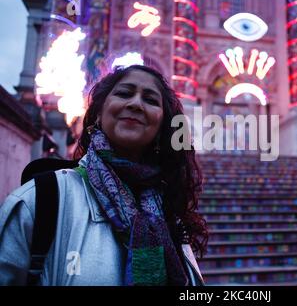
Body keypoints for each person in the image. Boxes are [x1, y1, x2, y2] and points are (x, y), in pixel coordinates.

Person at [0, 65, 208, 286]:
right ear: (99, 112)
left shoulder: (168, 212)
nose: (136, 104)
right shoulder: (41, 198)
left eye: (150, 100)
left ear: (162, 127)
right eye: (124, 93)